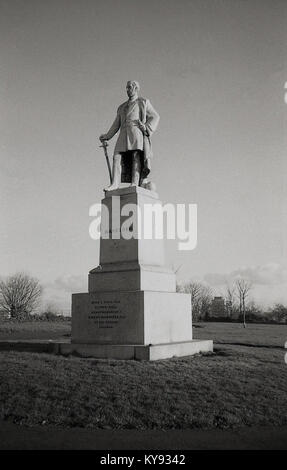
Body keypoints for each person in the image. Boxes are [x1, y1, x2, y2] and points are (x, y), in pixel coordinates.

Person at [99, 81, 160, 190]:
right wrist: (107, 136)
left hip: (136, 132)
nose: (127, 90)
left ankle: (134, 182)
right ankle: (115, 183)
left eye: (129, 87)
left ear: (136, 88)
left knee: (135, 156)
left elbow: (155, 116)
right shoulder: (122, 107)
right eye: (126, 88)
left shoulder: (143, 102)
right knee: (117, 156)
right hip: (123, 133)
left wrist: (146, 127)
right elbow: (116, 124)